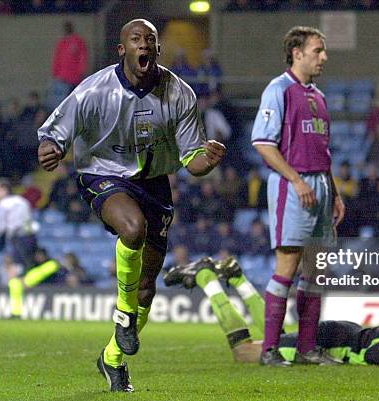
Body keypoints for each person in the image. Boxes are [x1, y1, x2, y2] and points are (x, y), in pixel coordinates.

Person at [37, 19, 225, 392]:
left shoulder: (178, 93)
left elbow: (193, 162)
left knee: (147, 289)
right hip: (102, 174)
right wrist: (52, 148)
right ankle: (123, 314)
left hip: (154, 182)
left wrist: (209, 158)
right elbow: (54, 133)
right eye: (136, 39)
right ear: (122, 50)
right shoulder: (94, 90)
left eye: (151, 41)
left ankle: (111, 358)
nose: (145, 45)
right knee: (133, 228)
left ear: (157, 51)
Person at [164, 257, 379, 367]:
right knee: (245, 353)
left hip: (347, 329)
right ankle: (207, 277)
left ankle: (237, 278)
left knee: (277, 333)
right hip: (340, 342)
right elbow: (375, 358)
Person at [250, 26, 344, 366]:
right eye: (318, 50)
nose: (324, 57)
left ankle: (307, 350)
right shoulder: (279, 89)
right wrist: (296, 180)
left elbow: (323, 150)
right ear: (297, 53)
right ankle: (270, 351)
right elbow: (262, 143)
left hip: (320, 186)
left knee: (317, 271)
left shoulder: (318, 96)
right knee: (287, 266)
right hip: (294, 187)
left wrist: (333, 192)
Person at [0, 178, 60, 318]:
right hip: (30, 238)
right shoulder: (21, 201)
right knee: (19, 275)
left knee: (17, 277)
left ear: (3, 190)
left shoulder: (3, 205)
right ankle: (16, 311)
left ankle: (51, 266)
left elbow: (1, 226)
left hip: (18, 239)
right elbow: (30, 221)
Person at [51, 21, 88, 109]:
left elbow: (82, 58)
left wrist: (82, 72)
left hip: (75, 78)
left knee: (75, 102)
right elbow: (57, 59)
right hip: (62, 77)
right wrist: (55, 73)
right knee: (62, 103)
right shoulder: (62, 43)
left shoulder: (78, 42)